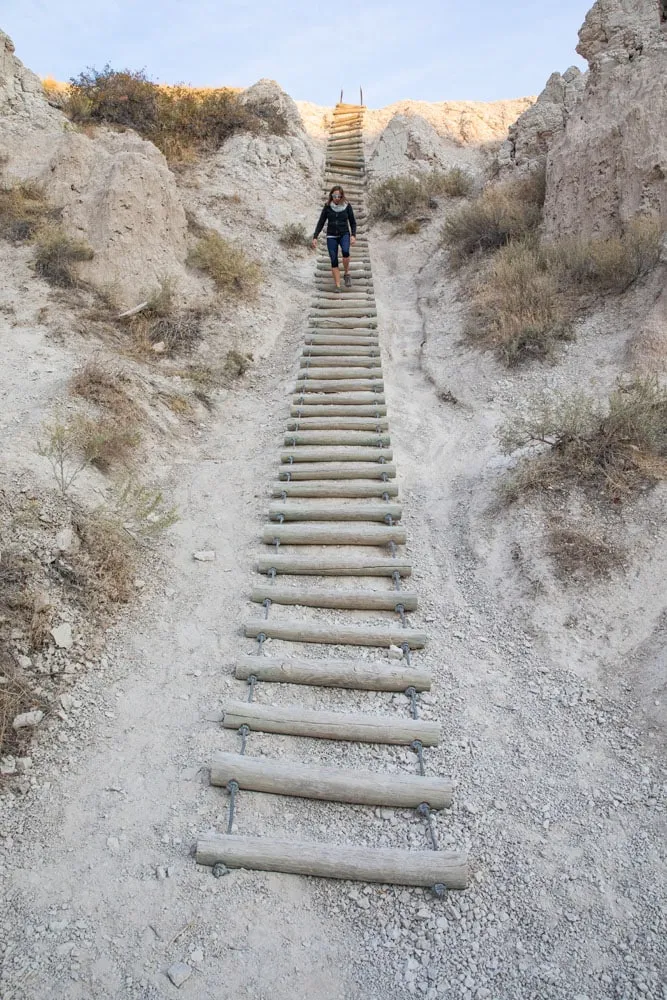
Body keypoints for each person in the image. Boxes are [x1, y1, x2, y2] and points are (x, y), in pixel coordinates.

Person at [311, 186, 357, 290]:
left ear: (342, 196)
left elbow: (353, 222)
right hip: (331, 235)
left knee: (346, 252)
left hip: (344, 234)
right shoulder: (327, 207)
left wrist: (353, 235)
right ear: (331, 196)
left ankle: (346, 273)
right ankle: (338, 285)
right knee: (334, 259)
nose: (336, 198)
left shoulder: (347, 206)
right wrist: (315, 236)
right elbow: (321, 222)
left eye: (339, 196)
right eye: (334, 195)